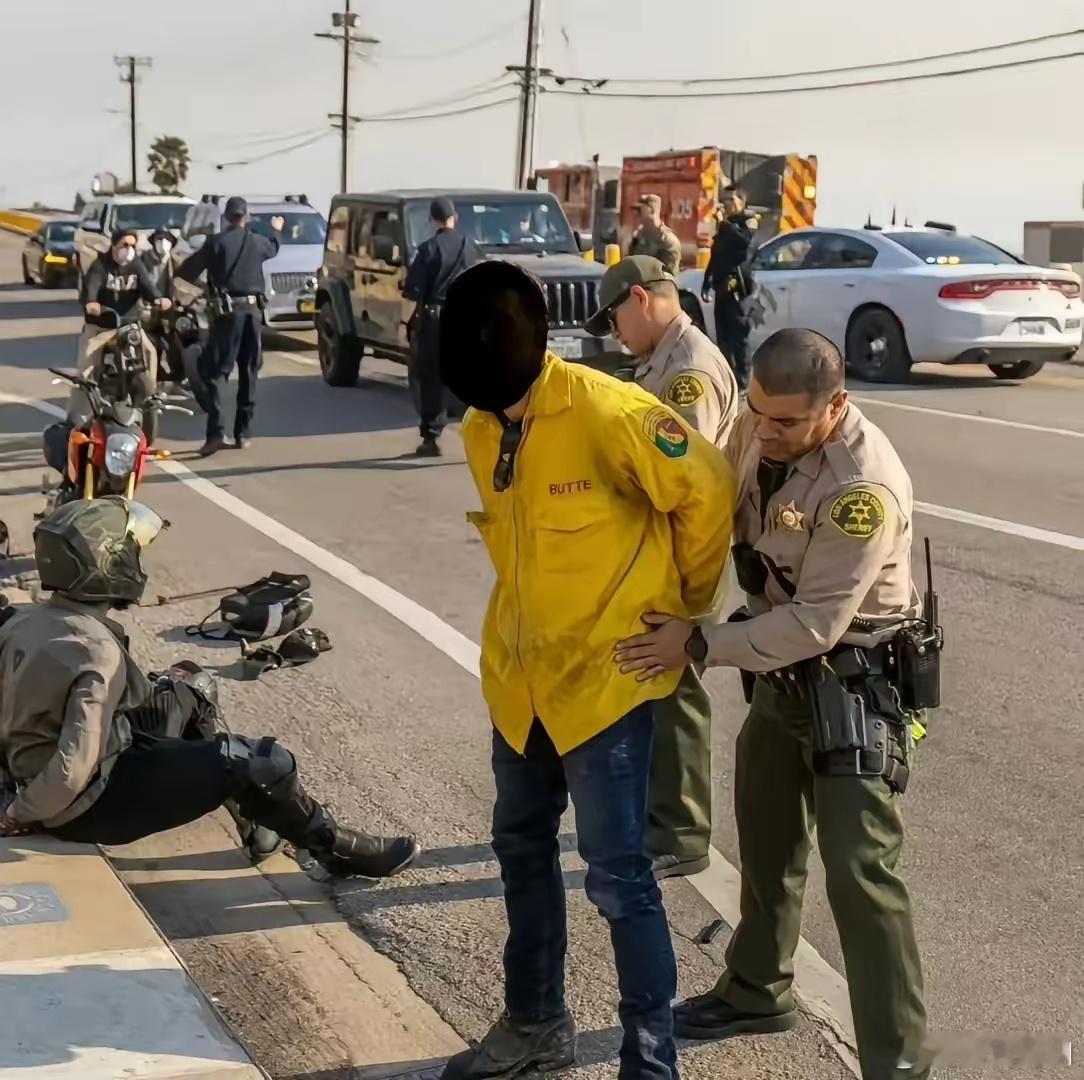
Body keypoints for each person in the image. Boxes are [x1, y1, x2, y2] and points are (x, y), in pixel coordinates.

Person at [437, 260, 735, 1079]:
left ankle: (649, 1062)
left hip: (604, 687)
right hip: (521, 687)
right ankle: (535, 1021)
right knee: (521, 850)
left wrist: (688, 612)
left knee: (618, 882)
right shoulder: (479, 427)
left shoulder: (612, 412)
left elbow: (706, 488)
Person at [613, 329, 931, 1080]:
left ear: (836, 405)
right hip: (782, 683)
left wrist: (697, 643)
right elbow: (720, 501)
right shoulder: (761, 428)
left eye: (788, 421)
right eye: (759, 414)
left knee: (860, 873)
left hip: (852, 686)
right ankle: (757, 989)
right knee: (766, 842)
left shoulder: (861, 488)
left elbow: (819, 620)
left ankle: (901, 1061)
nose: (768, 431)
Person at [0, 497, 419, 883]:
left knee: (191, 683)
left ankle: (256, 822)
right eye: (132, 551)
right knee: (262, 762)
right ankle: (334, 849)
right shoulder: (95, 653)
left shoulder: (23, 621)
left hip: (72, 765)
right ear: (108, 562)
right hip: (88, 802)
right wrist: (20, 814)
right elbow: (75, 765)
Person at [586, 254, 739, 880]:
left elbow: (684, 478)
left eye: (616, 316)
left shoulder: (688, 374)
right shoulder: (664, 360)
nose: (615, 331)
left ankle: (681, 831)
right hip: (668, 547)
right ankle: (662, 817)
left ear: (642, 300)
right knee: (654, 677)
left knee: (674, 680)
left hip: (686, 550)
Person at [177, 195, 282, 457]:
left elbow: (186, 273)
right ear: (246, 217)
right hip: (254, 313)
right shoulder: (257, 241)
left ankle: (216, 434)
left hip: (227, 314)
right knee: (249, 371)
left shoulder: (216, 243)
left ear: (226, 217)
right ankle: (243, 433)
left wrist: (206, 287)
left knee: (215, 372)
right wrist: (276, 230)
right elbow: (273, 247)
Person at [399, 196, 482, 458]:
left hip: (435, 322)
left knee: (432, 378)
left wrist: (403, 325)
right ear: (454, 218)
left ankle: (431, 438)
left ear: (432, 220)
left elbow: (411, 294)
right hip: (465, 319)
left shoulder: (427, 250)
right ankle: (481, 433)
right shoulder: (471, 247)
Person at [78, 227, 170, 401]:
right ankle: (79, 410)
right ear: (113, 246)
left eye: (133, 246)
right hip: (102, 326)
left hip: (129, 325)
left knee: (150, 351)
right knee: (87, 364)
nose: (129, 250)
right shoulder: (100, 266)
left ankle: (150, 397)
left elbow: (148, 287)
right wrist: (92, 304)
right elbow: (91, 290)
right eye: (125, 245)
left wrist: (159, 299)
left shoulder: (136, 264)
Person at [702, 185, 758, 390]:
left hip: (737, 286)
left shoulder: (747, 222)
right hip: (721, 286)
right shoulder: (724, 226)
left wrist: (728, 227)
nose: (726, 204)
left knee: (738, 336)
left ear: (742, 203)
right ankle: (726, 378)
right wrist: (707, 281)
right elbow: (716, 254)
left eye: (731, 200)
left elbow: (747, 245)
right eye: (724, 200)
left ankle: (743, 382)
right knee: (723, 336)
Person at [628, 194, 682, 276]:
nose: (636, 214)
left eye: (640, 210)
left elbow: (669, 274)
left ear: (652, 211)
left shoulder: (667, 240)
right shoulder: (639, 237)